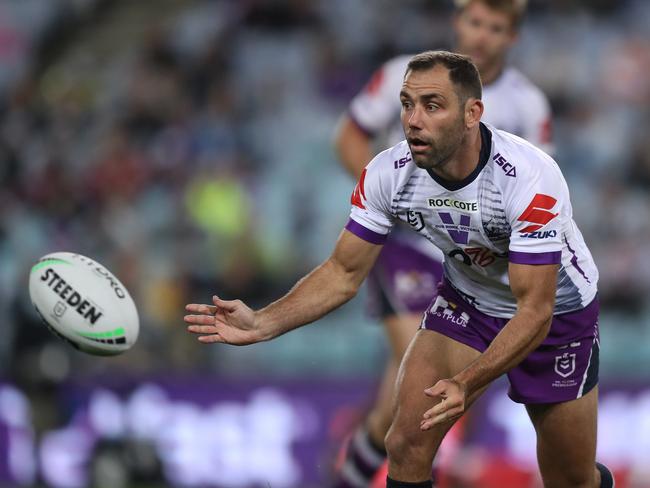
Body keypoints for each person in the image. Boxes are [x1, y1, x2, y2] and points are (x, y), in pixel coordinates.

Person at [184, 51, 614, 488]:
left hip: (557, 316)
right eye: (407, 103)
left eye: (432, 105)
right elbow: (342, 273)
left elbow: (534, 311)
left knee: (570, 479)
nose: (413, 119)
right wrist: (262, 322)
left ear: (472, 113)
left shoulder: (529, 178)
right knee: (406, 442)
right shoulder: (389, 173)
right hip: (468, 305)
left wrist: (467, 382)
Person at [333, 1, 552, 485]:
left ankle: (350, 475)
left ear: (510, 37)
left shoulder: (528, 104)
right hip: (408, 246)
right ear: (457, 23)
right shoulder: (402, 76)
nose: (481, 35)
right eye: (474, 21)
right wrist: (388, 199)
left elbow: (539, 190)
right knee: (428, 388)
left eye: (494, 27)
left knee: (396, 404)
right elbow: (349, 136)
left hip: (475, 265)